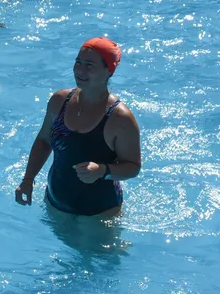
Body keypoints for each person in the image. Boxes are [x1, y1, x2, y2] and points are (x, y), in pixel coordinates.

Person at [15, 37, 142, 217]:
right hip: (55, 202)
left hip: (99, 213)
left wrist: (102, 170)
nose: (80, 70)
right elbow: (44, 141)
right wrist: (28, 179)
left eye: (89, 65)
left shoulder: (120, 118)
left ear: (108, 71)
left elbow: (133, 167)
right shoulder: (59, 101)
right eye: (78, 62)